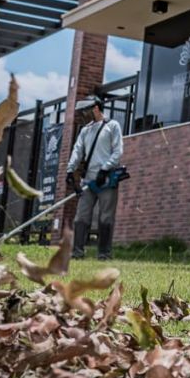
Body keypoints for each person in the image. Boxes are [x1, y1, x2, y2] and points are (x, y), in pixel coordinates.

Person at [67, 95, 126, 260]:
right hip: (88, 180)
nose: (84, 114)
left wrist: (105, 169)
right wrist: (70, 170)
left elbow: (118, 151)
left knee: (106, 217)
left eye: (85, 111)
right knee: (81, 217)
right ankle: (77, 252)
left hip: (106, 180)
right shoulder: (85, 130)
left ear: (95, 108)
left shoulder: (112, 126)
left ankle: (104, 253)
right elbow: (77, 151)